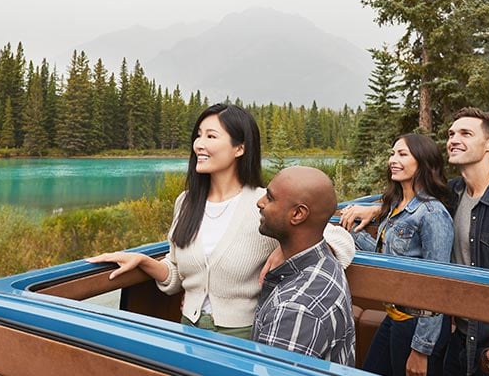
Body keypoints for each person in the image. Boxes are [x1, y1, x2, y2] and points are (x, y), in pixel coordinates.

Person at [87, 103, 355, 339]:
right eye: (199, 135)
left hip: (243, 336)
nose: (199, 144)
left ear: (240, 148)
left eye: (211, 136)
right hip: (188, 330)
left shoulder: (265, 203)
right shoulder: (186, 202)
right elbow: (179, 274)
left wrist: (281, 252)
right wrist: (144, 262)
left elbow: (340, 240)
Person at [341, 108, 489, 375]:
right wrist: (377, 209)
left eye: (466, 133)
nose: (454, 139)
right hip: (463, 344)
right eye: (451, 133)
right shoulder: (453, 194)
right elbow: (414, 204)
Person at [342, 134, 454, 376]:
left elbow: (438, 285)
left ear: (423, 162)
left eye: (402, 154)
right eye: (392, 154)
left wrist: (422, 349)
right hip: (395, 315)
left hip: (417, 323)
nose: (393, 159)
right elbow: (387, 258)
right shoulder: (395, 205)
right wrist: (348, 232)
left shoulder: (433, 213)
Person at [253, 166, 356, 366]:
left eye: (270, 198)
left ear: (298, 214)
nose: (260, 202)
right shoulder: (325, 262)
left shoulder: (295, 310)